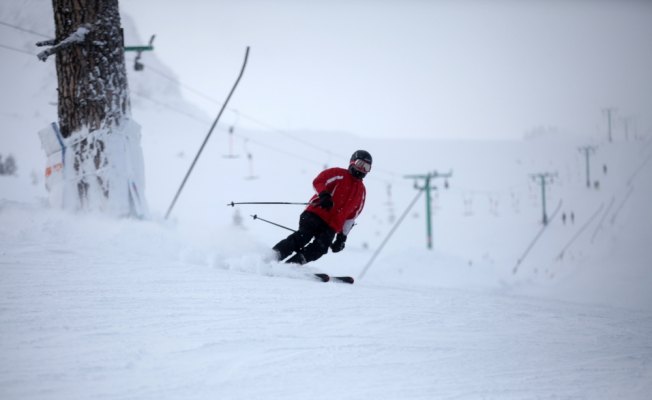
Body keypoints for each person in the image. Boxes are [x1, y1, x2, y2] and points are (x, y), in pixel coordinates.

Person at [273, 150, 372, 265]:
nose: (362, 169)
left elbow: (351, 217)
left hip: (332, 226)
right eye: (360, 164)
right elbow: (319, 181)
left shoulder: (362, 192)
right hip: (316, 214)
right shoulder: (339, 173)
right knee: (303, 237)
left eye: (366, 167)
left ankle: (292, 265)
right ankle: (272, 256)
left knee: (321, 248)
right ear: (352, 162)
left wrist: (342, 238)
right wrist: (324, 195)